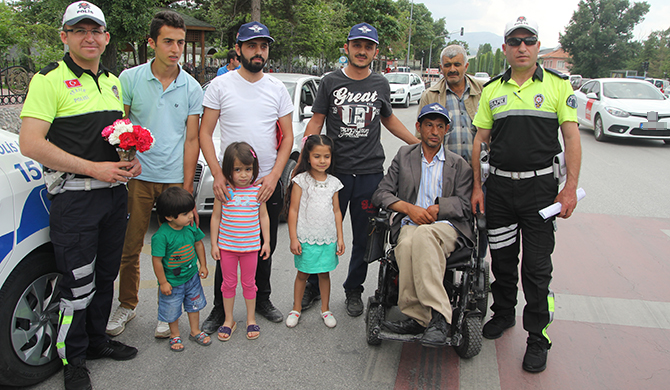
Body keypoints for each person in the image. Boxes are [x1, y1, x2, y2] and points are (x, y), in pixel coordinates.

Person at [18, 2, 139, 389]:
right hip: (76, 199)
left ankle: (98, 340)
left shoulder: (112, 80)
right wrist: (93, 169)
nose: (89, 37)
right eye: (79, 30)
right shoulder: (48, 79)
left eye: (95, 31)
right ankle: (73, 359)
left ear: (106, 37)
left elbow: (117, 137)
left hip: (114, 195)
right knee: (77, 285)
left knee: (105, 277)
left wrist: (130, 161)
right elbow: (30, 143)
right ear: (64, 36)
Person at [471, 16, 582, 373]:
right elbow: (479, 142)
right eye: (514, 42)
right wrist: (477, 186)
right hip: (500, 190)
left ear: (538, 47)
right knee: (502, 261)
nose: (521, 47)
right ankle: (503, 313)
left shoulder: (557, 87)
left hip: (540, 194)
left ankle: (538, 337)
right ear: (504, 49)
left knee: (536, 269)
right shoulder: (491, 91)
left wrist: (568, 189)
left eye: (528, 41)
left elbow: (572, 138)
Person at [301, 22, 419, 317]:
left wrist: (417, 143)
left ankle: (354, 289)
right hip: (334, 174)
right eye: (357, 45)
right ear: (347, 48)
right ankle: (315, 286)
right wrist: (303, 161)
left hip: (369, 174)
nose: (362, 51)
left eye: (368, 47)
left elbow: (389, 119)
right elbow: (316, 121)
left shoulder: (380, 83)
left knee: (365, 237)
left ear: (375, 51)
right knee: (322, 231)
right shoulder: (329, 82)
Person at [106, 10, 203, 340]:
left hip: (174, 180)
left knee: (175, 249)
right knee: (129, 247)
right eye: (168, 42)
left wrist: (187, 188)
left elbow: (191, 139)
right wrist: (124, 162)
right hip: (137, 177)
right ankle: (127, 305)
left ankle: (169, 311)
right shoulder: (130, 79)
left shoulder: (191, 87)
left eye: (180, 42)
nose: (176, 49)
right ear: (152, 43)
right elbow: (119, 127)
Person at [199, 21, 293, 330]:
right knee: (225, 246)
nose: (258, 51)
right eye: (251, 45)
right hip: (231, 184)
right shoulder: (220, 85)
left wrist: (274, 175)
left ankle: (262, 299)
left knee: (264, 244)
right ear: (238, 49)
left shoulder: (277, 88)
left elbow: (289, 138)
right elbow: (205, 132)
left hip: (266, 184)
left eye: (263, 46)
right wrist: (218, 174)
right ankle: (218, 309)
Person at [371, 103, 474, 347]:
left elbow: (465, 205)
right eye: (429, 125)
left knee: (425, 236)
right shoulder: (404, 156)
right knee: (406, 244)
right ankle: (419, 317)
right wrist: (409, 209)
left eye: (440, 126)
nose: (434, 131)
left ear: (447, 130)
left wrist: (440, 208)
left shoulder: (458, 164)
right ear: (419, 128)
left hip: (447, 227)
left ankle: (440, 317)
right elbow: (381, 193)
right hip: (411, 223)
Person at [210, 142, 270, 341]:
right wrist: (213, 244)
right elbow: (216, 217)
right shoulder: (224, 192)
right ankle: (229, 320)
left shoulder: (257, 192)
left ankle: (251, 319)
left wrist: (266, 242)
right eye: (237, 170)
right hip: (227, 248)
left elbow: (264, 217)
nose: (244, 175)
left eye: (248, 169)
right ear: (228, 170)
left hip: (251, 248)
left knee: (249, 283)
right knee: (228, 283)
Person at [285, 135, 344, 329]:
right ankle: (296, 308)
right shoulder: (301, 181)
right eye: (317, 156)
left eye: (326, 156)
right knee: (302, 274)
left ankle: (325, 310)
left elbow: (337, 211)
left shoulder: (334, 183)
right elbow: (293, 211)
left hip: (327, 238)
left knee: (324, 274)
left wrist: (340, 238)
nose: (322, 161)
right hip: (305, 237)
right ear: (308, 157)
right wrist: (294, 238)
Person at [151, 187, 211, 352]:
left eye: (190, 211)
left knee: (194, 305)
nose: (191, 216)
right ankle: (174, 334)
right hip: (172, 281)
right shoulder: (161, 236)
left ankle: (195, 330)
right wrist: (163, 282)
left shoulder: (190, 227)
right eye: (185, 214)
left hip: (192, 277)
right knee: (172, 308)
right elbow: (157, 260)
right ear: (169, 217)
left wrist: (203, 265)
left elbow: (198, 244)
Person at [417, 44, 484, 165]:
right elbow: (420, 137)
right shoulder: (430, 95)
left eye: (457, 65)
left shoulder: (483, 91)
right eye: (447, 65)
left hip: (477, 170)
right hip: (444, 171)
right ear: (441, 68)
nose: (452, 69)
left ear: (466, 66)